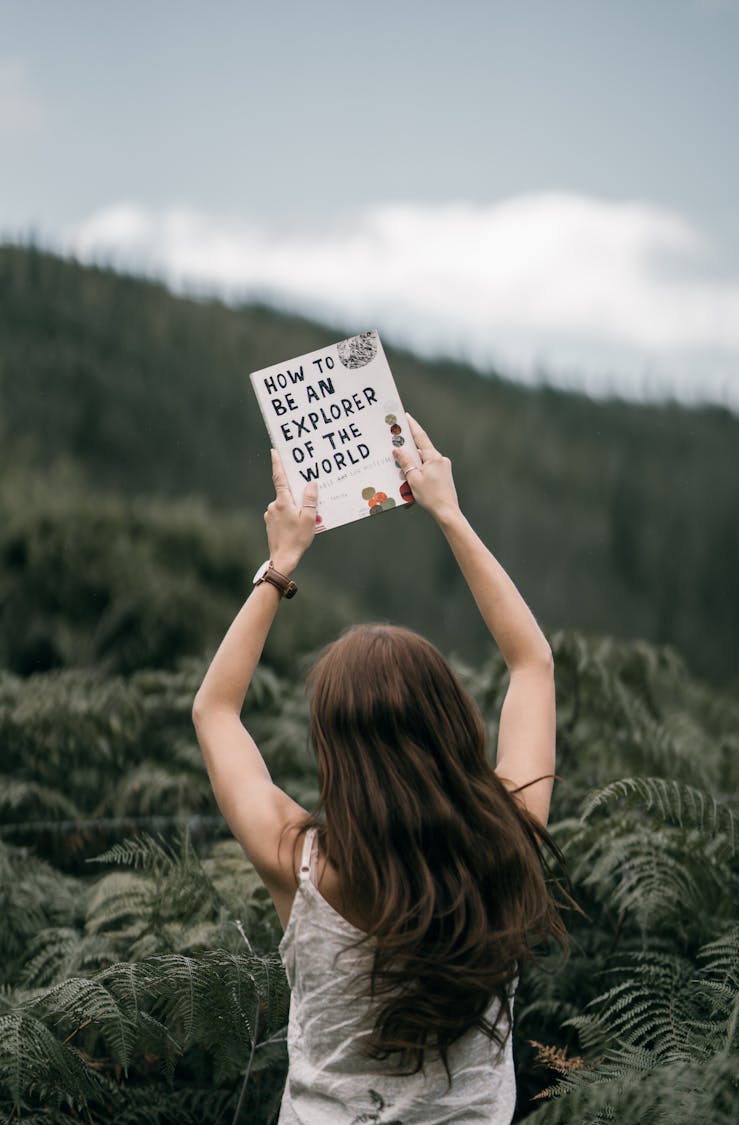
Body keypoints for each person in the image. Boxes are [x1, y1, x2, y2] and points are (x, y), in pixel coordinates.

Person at [193, 414, 567, 1124]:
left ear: (335, 750)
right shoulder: (509, 841)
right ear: (453, 725)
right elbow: (532, 663)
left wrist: (280, 564)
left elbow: (215, 710)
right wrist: (449, 513)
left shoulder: (298, 864)